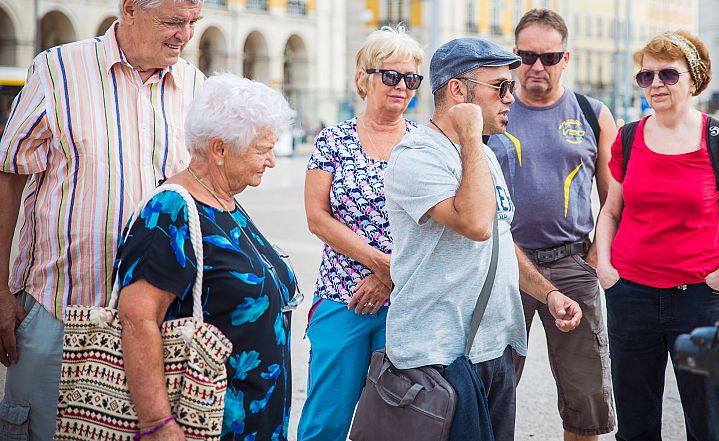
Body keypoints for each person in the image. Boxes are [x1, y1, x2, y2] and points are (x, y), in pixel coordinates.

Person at [0, 0, 206, 440]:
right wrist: (0, 292)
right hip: (57, 313)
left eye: (193, 22)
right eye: (173, 21)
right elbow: (8, 176)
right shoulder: (58, 71)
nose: (185, 35)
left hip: (157, 322)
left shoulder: (195, 85)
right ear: (130, 9)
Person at [384, 37, 583, 441]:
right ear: (459, 91)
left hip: (493, 349)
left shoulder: (485, 157)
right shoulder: (416, 156)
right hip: (438, 357)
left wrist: (548, 294)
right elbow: (475, 223)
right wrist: (471, 136)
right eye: (500, 87)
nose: (512, 97)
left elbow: (498, 238)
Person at [116, 73, 297, 440]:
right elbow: (137, 317)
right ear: (219, 149)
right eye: (263, 150)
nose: (272, 161)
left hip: (253, 419)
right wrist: (158, 424)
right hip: (204, 422)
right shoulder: (172, 210)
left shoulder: (224, 202)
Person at [595, 30, 719, 441]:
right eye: (646, 76)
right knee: (635, 424)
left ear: (693, 79)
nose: (655, 84)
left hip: (699, 298)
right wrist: (606, 268)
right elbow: (610, 211)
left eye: (668, 75)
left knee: (707, 421)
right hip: (631, 295)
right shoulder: (628, 137)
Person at [487, 9, 616, 440]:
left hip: (572, 267)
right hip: (504, 269)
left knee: (585, 401)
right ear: (514, 56)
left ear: (566, 58)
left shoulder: (592, 113)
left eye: (548, 56)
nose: (536, 66)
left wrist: (600, 250)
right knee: (490, 392)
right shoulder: (493, 114)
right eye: (526, 56)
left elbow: (613, 193)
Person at [297, 26, 424, 441]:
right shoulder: (334, 139)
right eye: (391, 76)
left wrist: (389, 275)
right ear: (365, 77)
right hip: (342, 296)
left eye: (411, 79)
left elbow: (437, 225)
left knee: (398, 419)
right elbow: (317, 217)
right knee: (326, 418)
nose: (402, 87)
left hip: (408, 301)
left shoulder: (426, 146)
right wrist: (376, 261)